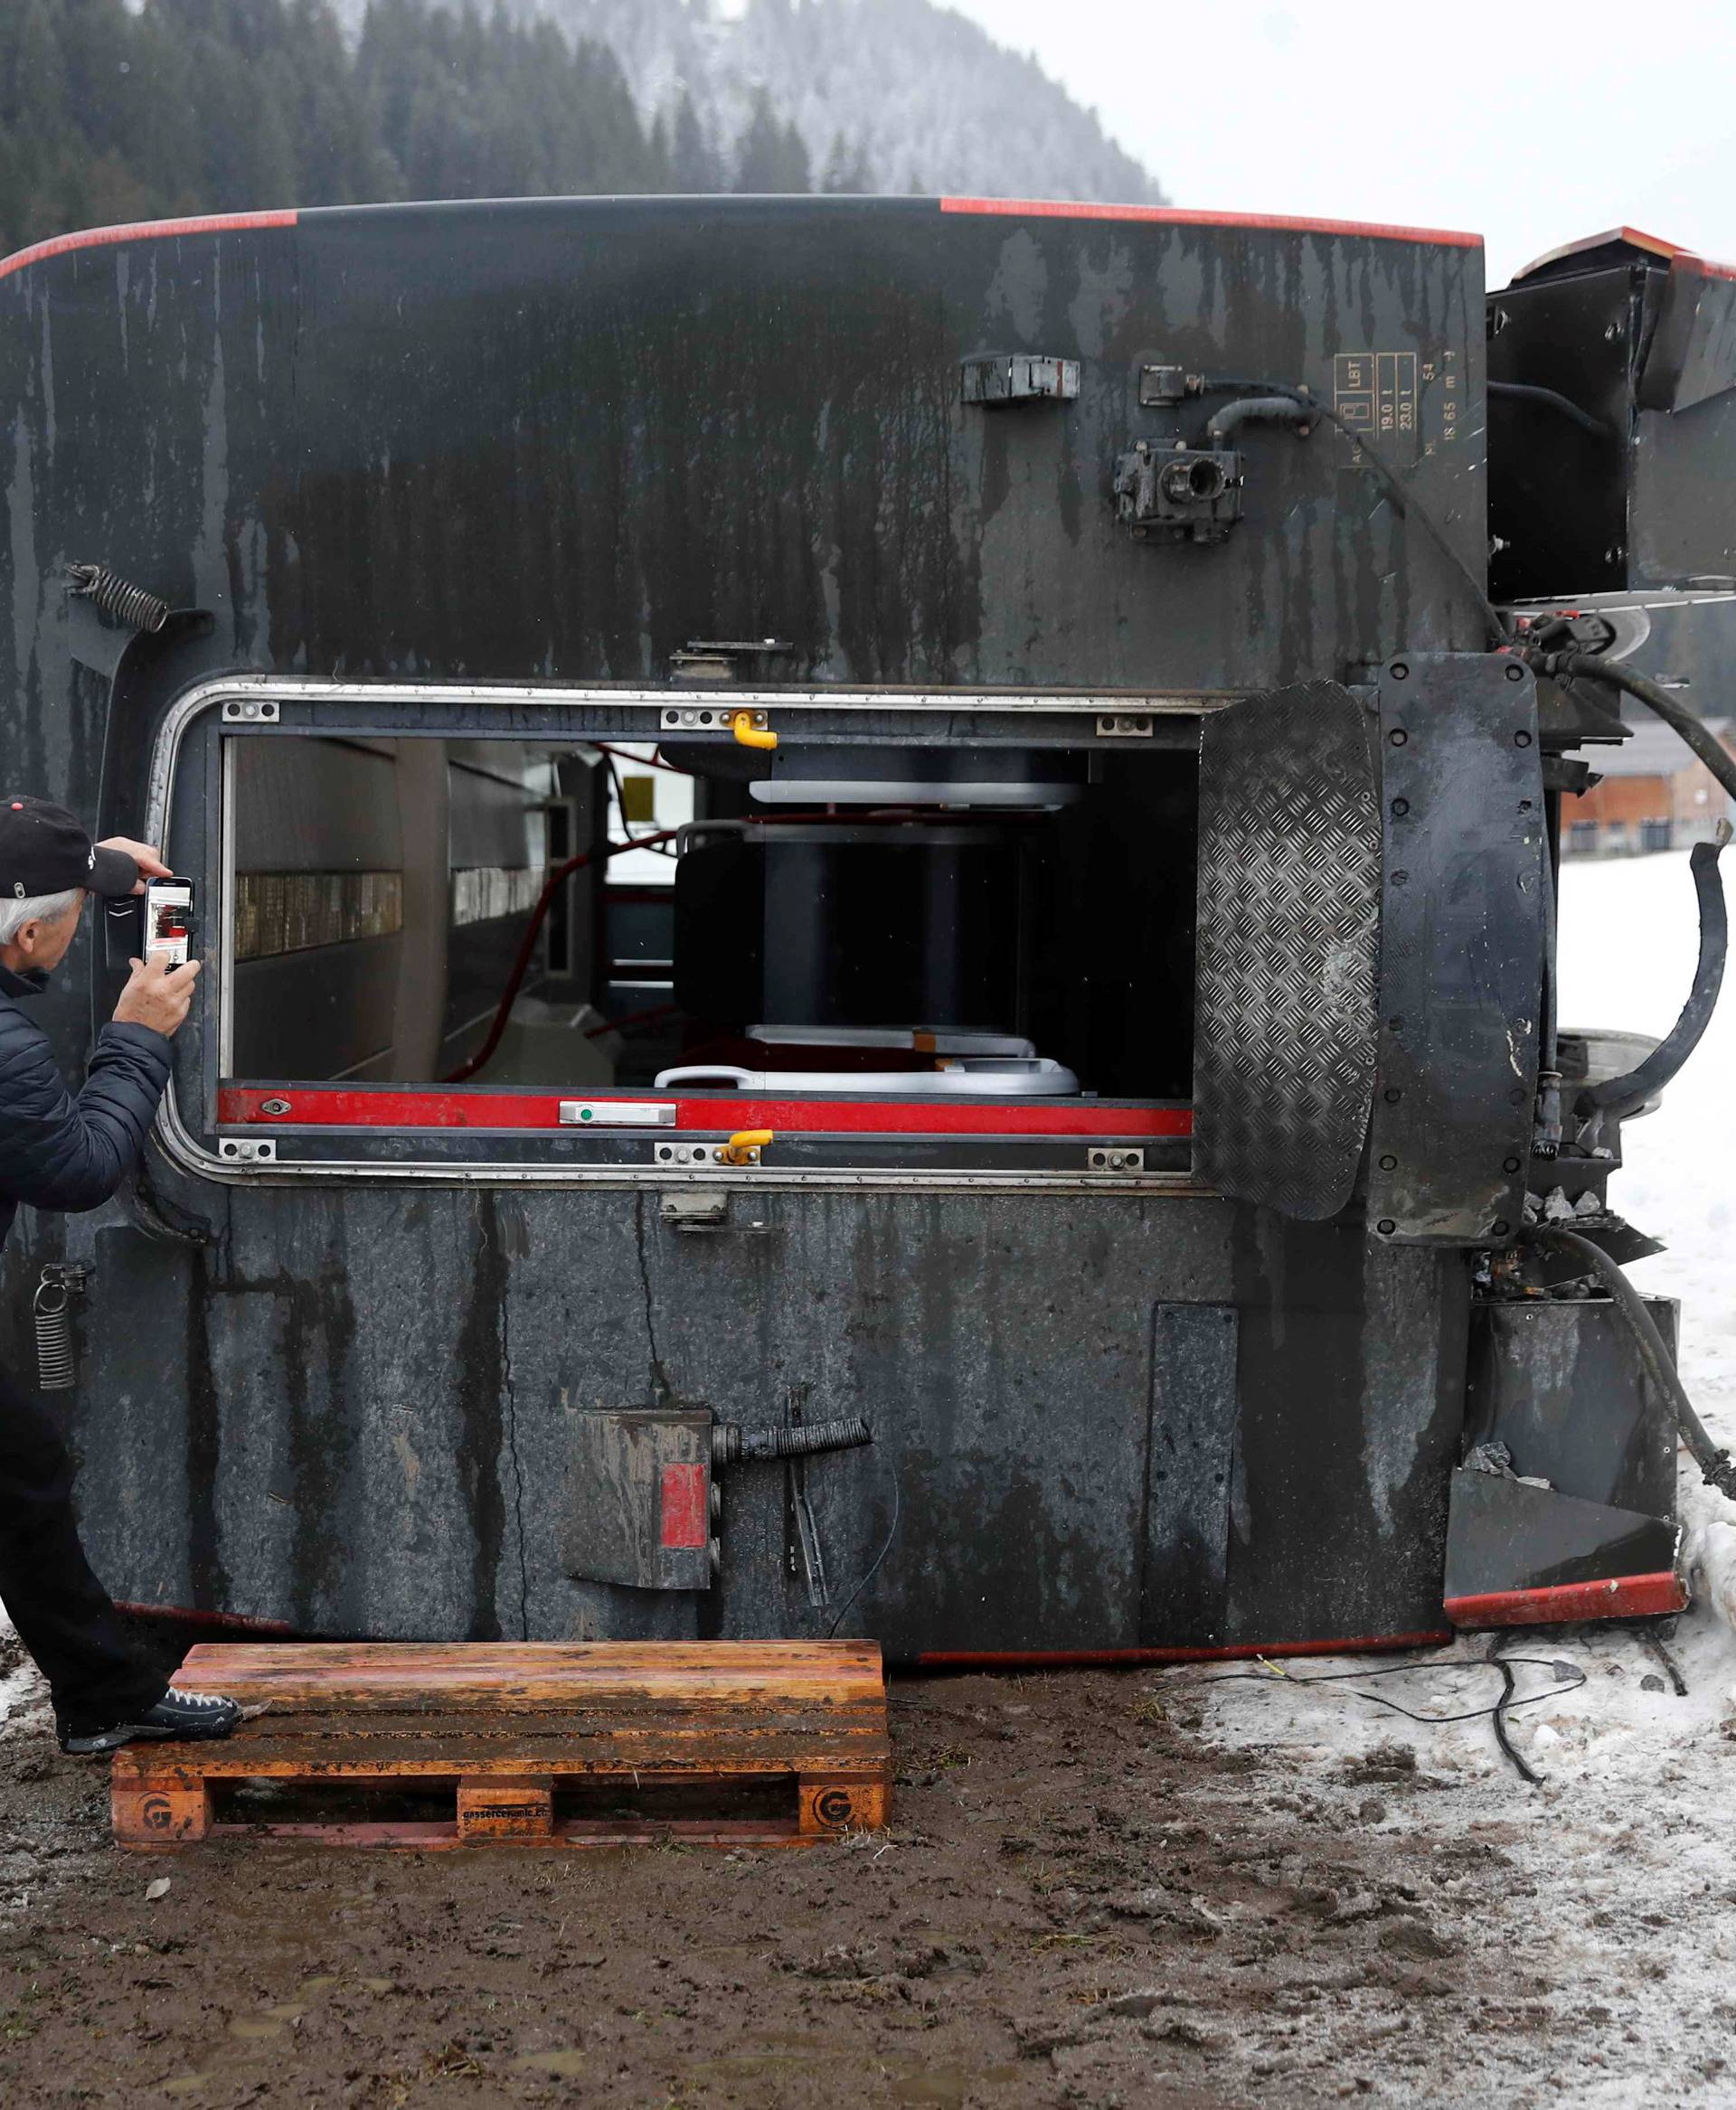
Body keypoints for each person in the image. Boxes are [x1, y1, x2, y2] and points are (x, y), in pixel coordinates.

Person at [0, 796, 241, 1755]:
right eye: (61, 925)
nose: (66, 945)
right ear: (26, 933)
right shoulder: (7, 1050)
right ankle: (102, 1693)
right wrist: (138, 1033)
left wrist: (94, 864)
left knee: (22, 1476)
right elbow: (81, 1172)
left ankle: (102, 1694)